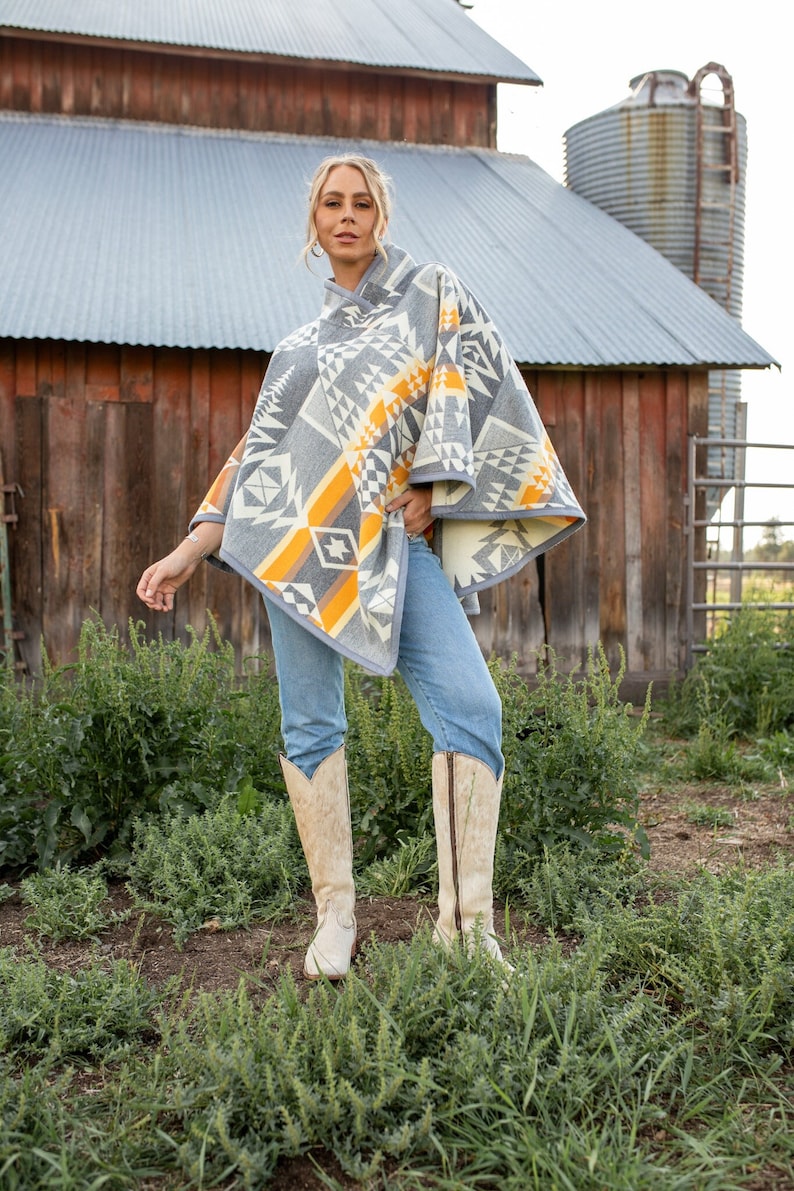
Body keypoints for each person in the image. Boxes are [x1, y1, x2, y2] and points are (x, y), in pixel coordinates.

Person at [137, 154, 585, 981]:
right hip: (299, 547)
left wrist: (434, 488)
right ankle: (336, 915)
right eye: (331, 204)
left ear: (383, 213)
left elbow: (478, 387)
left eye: (362, 202)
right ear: (314, 220)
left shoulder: (428, 298)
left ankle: (466, 928)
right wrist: (190, 546)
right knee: (310, 724)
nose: (347, 216)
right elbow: (256, 457)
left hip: (392, 544)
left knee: (471, 705)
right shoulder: (296, 350)